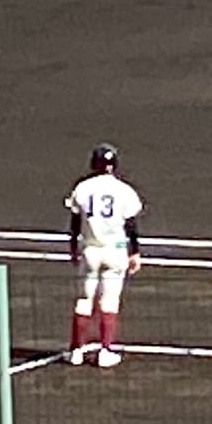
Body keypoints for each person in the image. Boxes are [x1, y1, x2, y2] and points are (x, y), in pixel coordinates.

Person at [65, 142, 143, 369]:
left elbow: (74, 222)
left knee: (83, 300)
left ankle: (76, 351)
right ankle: (105, 350)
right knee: (109, 301)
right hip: (116, 250)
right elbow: (131, 225)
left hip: (90, 249)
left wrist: (72, 247)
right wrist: (135, 252)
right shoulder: (124, 190)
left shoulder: (83, 188)